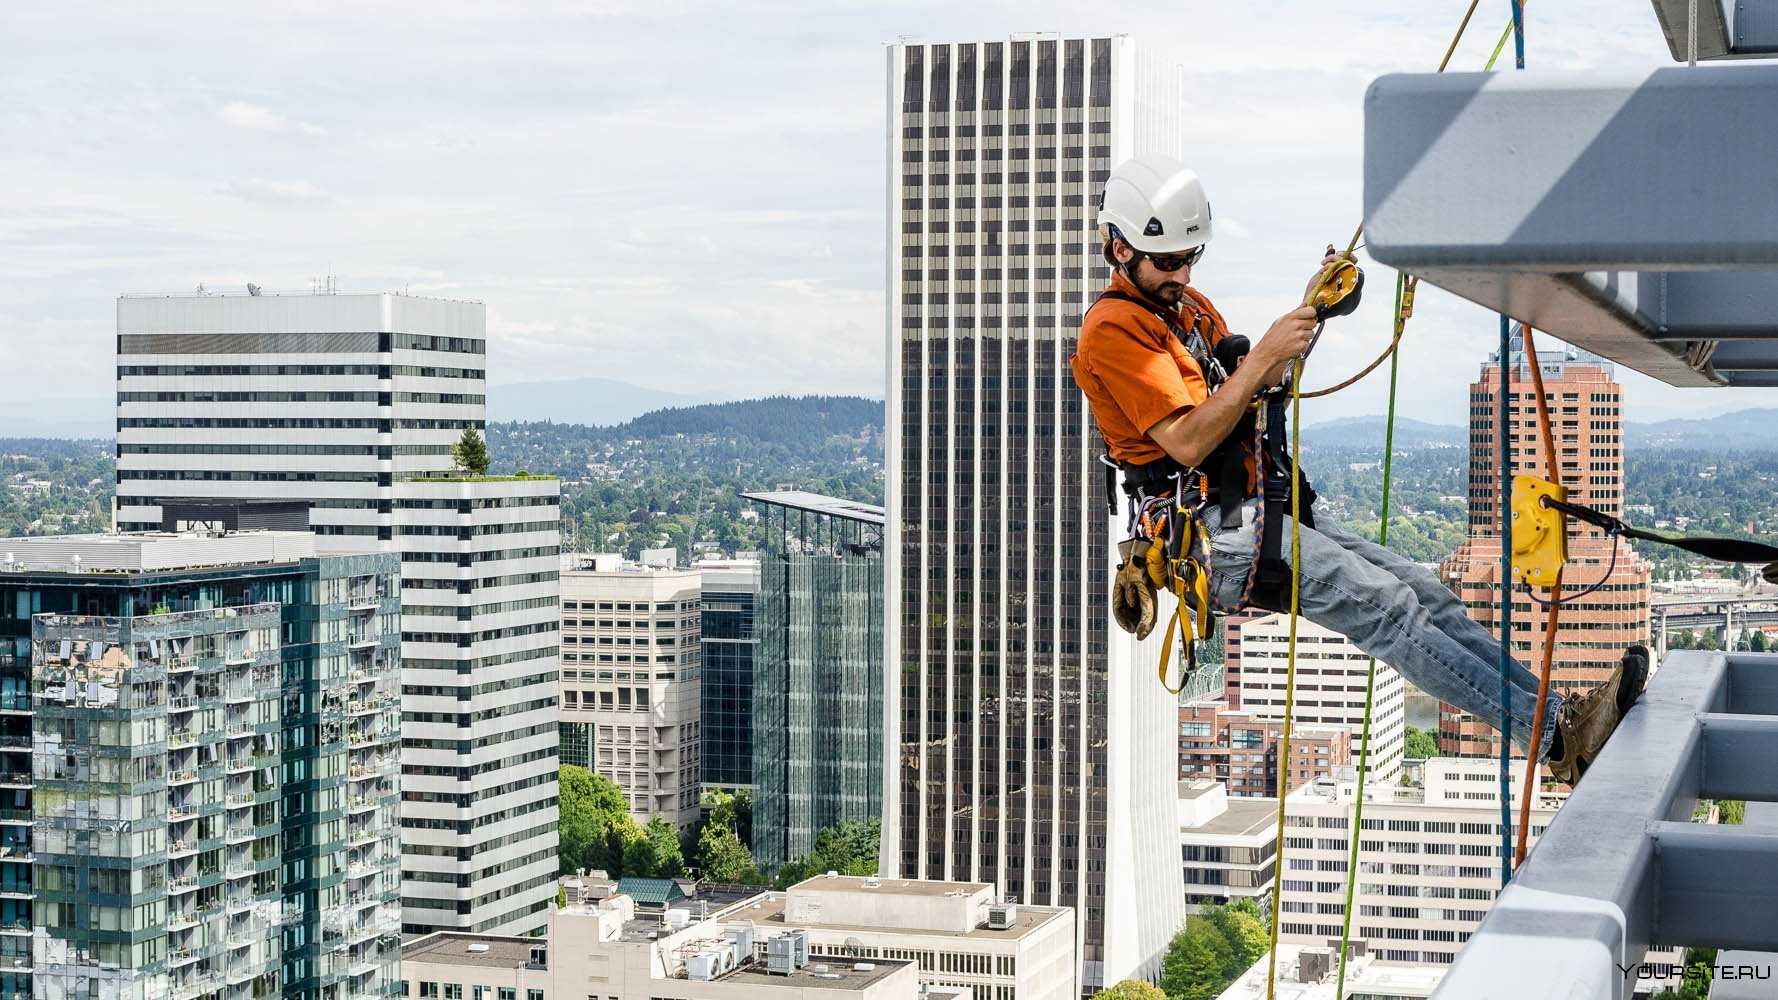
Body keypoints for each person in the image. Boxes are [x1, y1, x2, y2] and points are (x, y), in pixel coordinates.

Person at [1069, 153, 1646, 786]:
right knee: (1392, 611)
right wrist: (1264, 356)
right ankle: (1559, 740)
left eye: (1190, 258)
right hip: (1218, 534)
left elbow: (1251, 391)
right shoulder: (1113, 331)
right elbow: (1186, 439)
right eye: (1168, 261)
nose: (1181, 272)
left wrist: (1307, 315)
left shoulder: (1186, 311)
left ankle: (1559, 717)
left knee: (1431, 597)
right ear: (1119, 249)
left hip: (1258, 508)